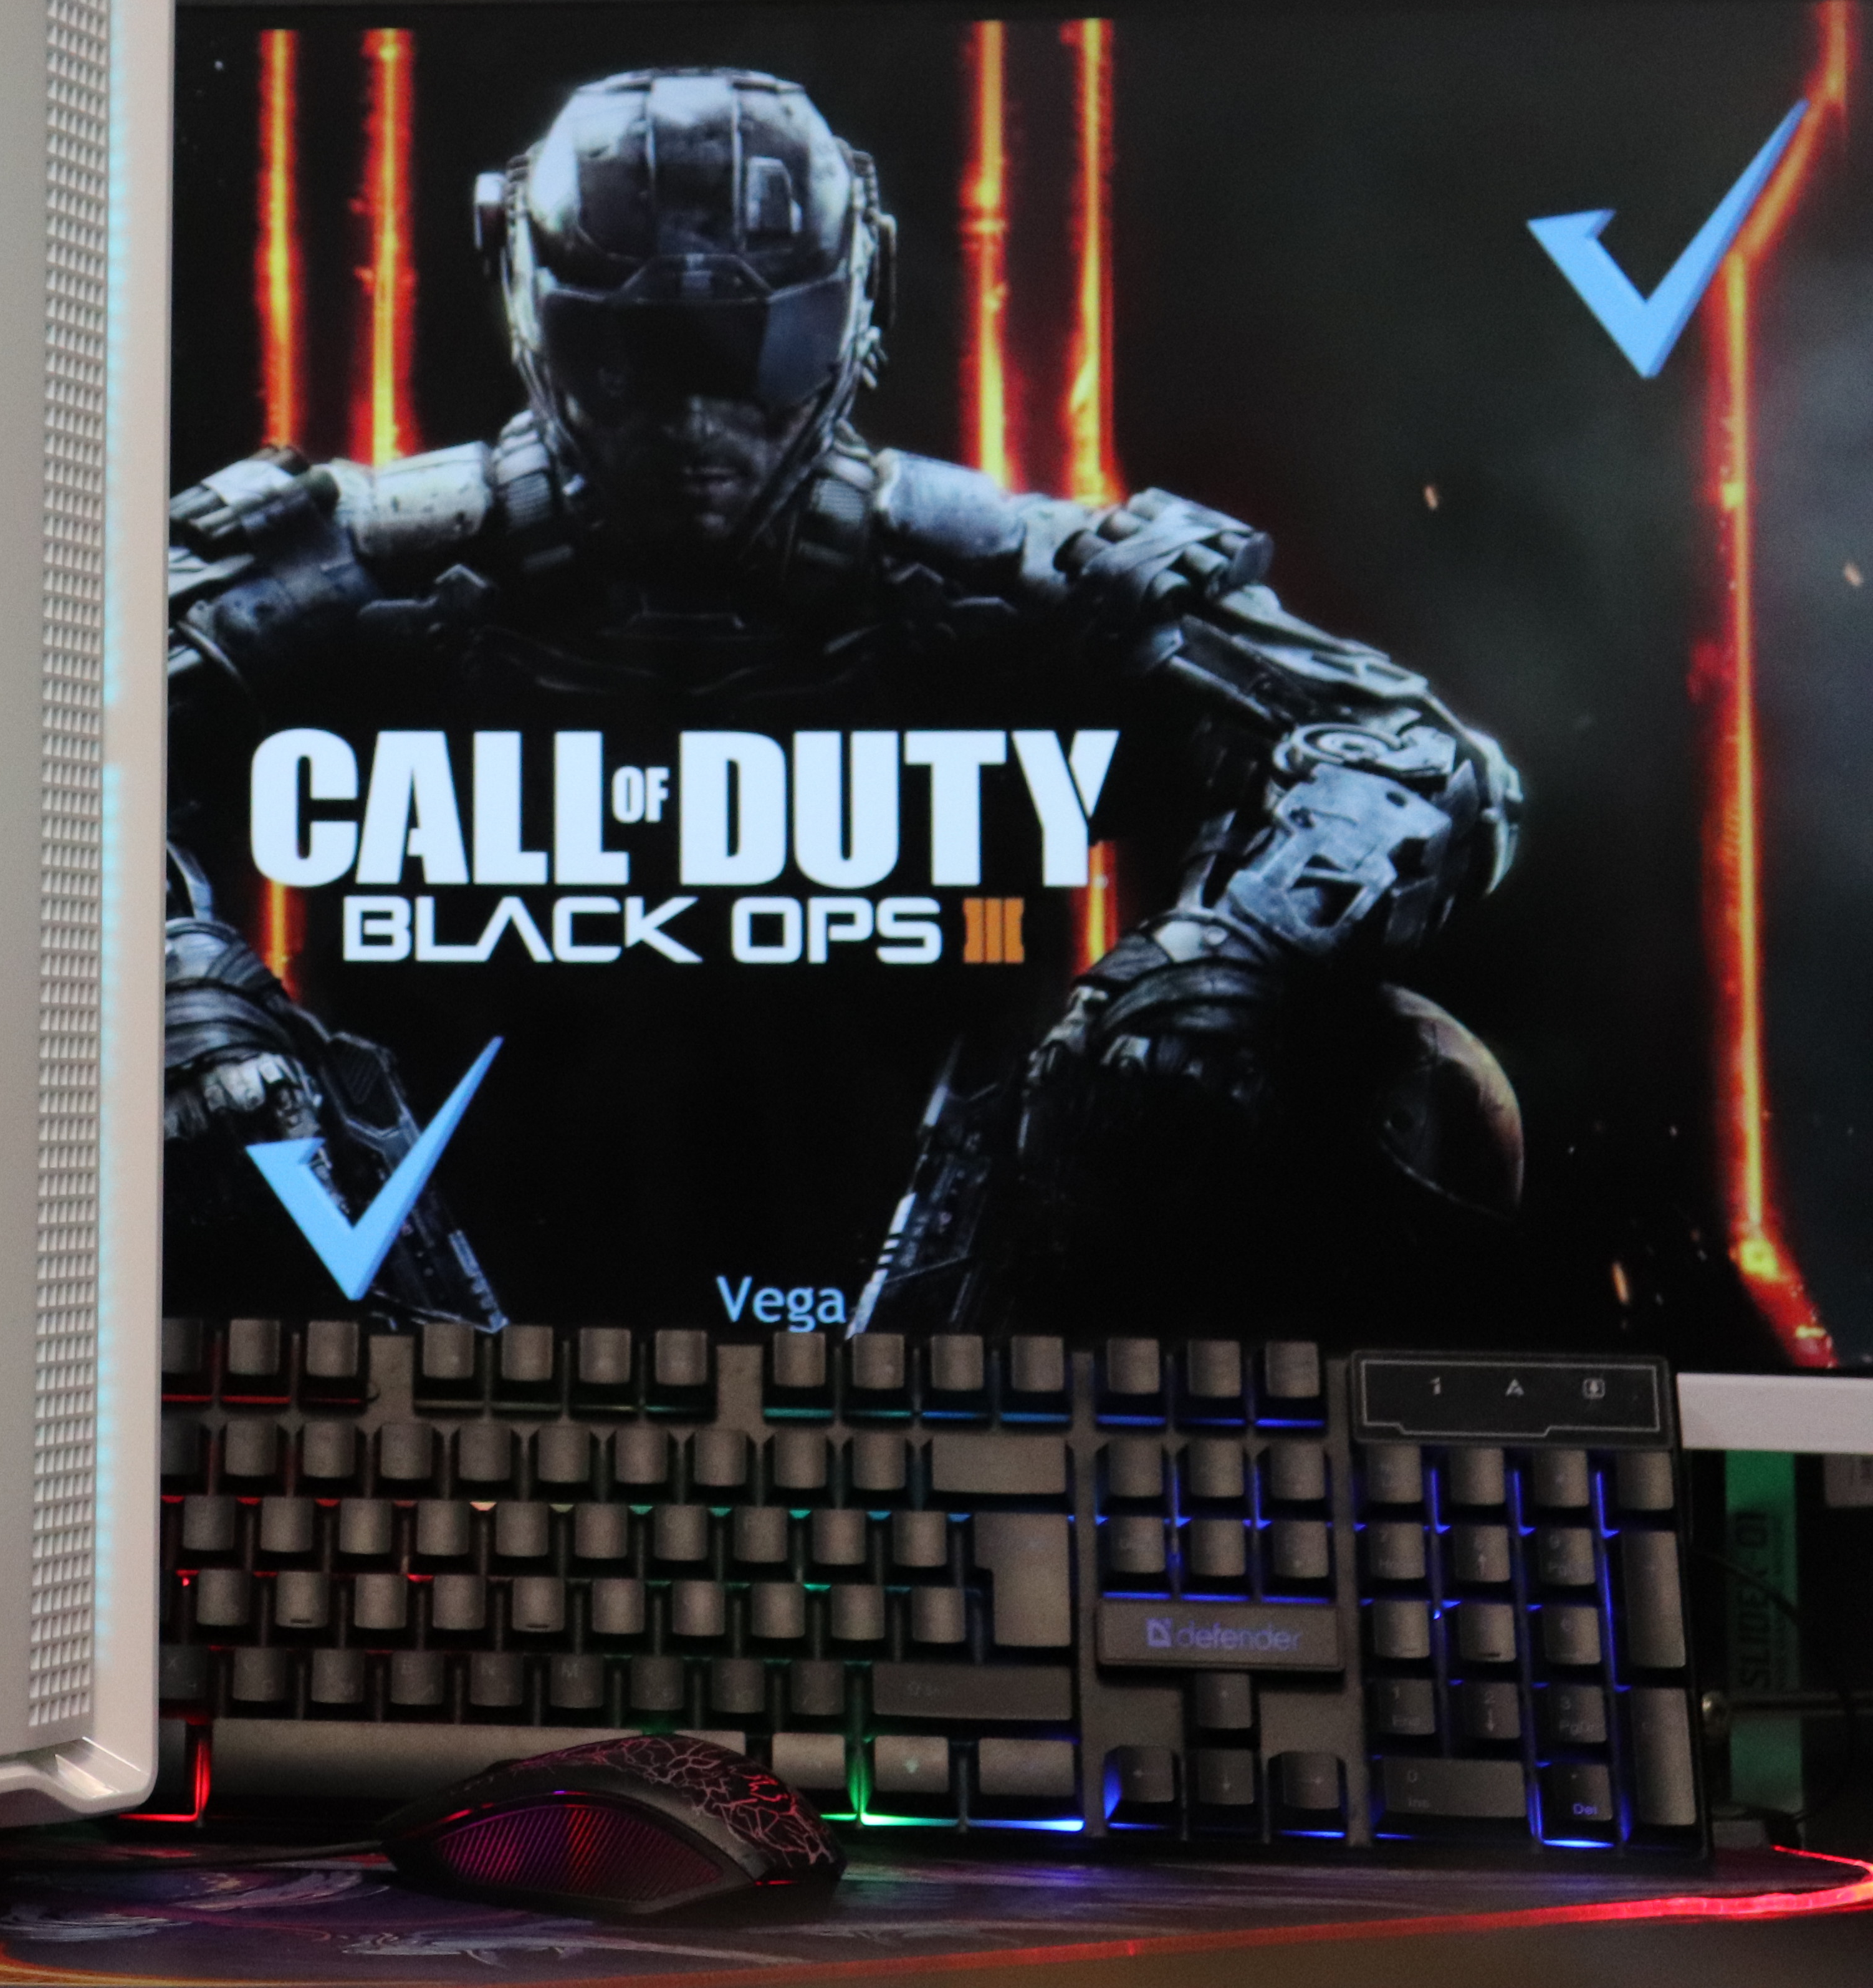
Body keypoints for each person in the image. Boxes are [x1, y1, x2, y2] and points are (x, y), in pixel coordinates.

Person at [162, 67, 1522, 1335]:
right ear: (535, 304)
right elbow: (70, 736)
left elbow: (1404, 753)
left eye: (753, 346)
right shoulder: (361, 561)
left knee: (1367, 1066)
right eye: (640, 354)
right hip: (397, 1291)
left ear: (849, 307)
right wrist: (181, 978)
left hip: (967, 1289)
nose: (697, 421)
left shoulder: (1000, 572)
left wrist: (1230, 956)